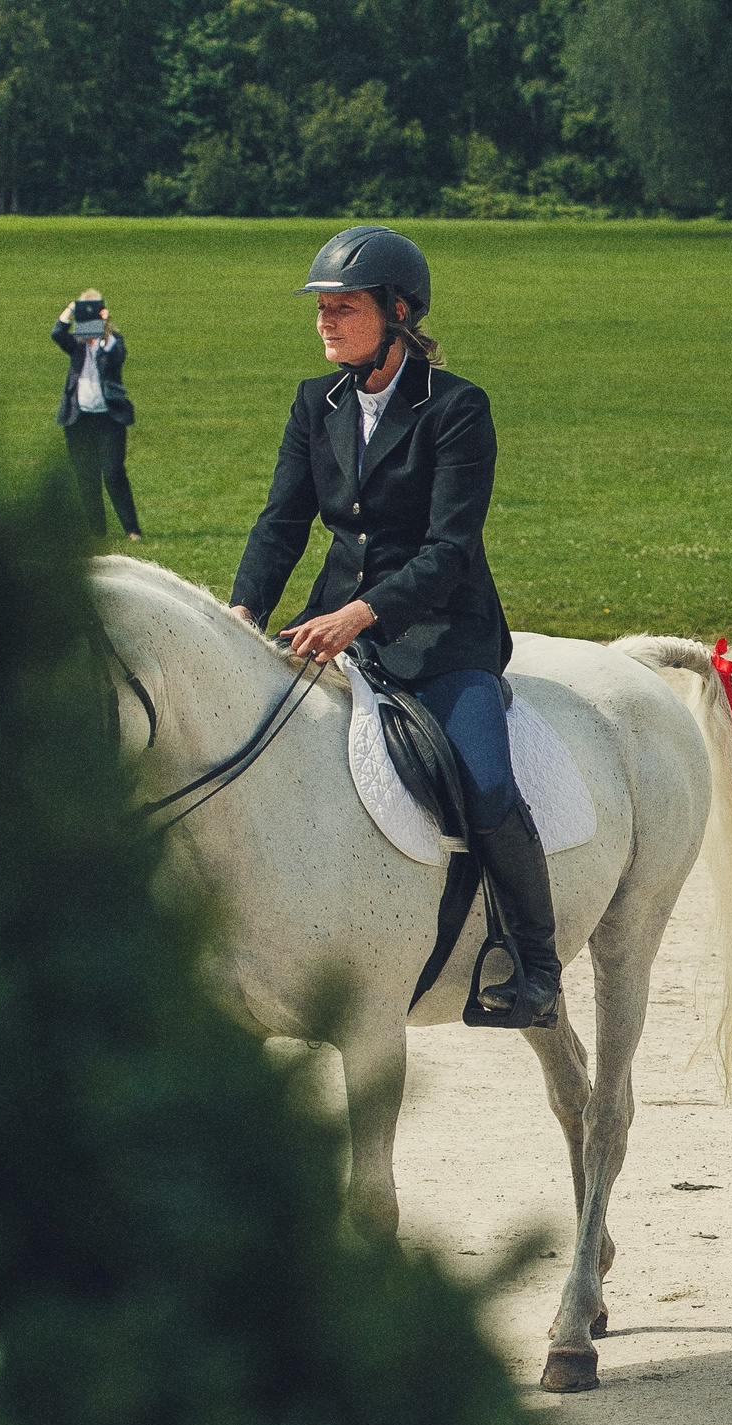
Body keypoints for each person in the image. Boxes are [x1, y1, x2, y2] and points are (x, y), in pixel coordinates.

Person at [227, 224, 561, 1029]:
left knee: (484, 784)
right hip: (333, 622)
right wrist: (243, 613)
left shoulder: (456, 408)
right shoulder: (317, 402)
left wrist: (363, 612)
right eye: (321, 310)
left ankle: (538, 966)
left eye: (344, 308)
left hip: (441, 633)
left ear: (399, 311)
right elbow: (283, 522)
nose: (326, 322)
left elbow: (451, 550)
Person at [53, 288, 142, 541]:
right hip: (79, 419)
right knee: (86, 475)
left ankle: (132, 528)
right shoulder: (76, 346)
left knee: (113, 471)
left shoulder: (112, 342)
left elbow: (116, 358)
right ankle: (97, 531)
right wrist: (70, 311)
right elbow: (57, 334)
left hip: (109, 418)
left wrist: (103, 332)